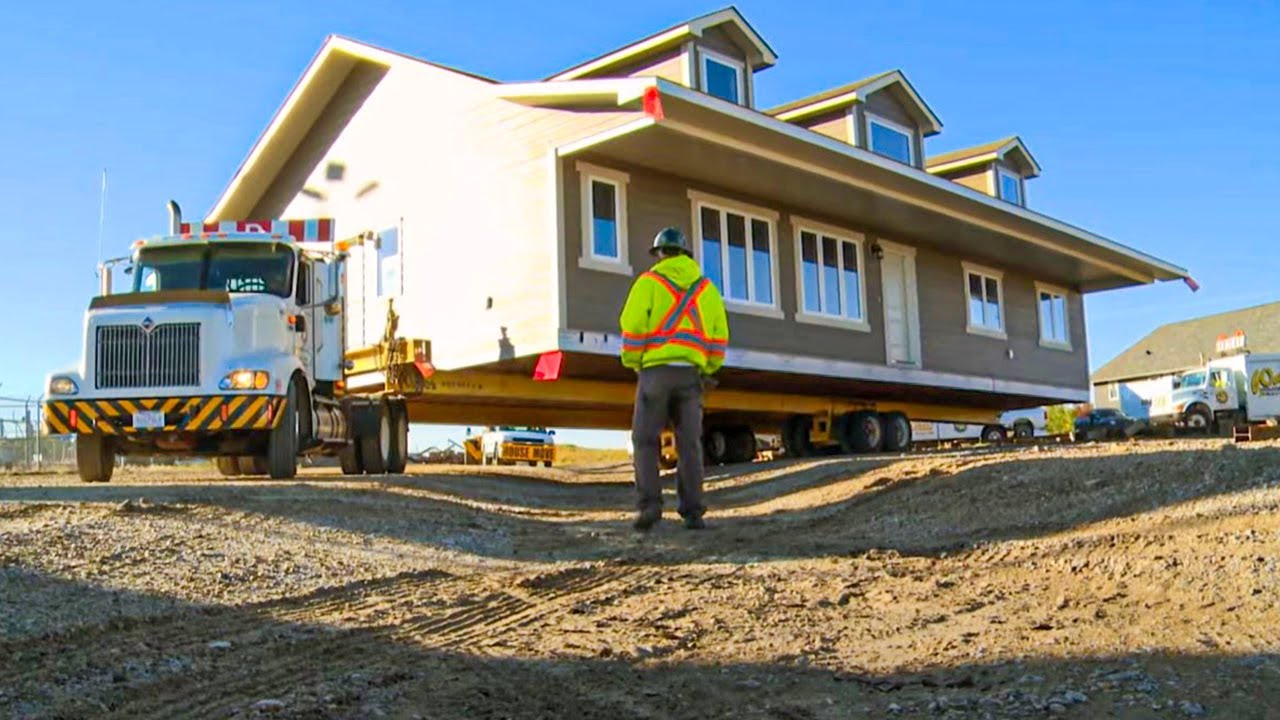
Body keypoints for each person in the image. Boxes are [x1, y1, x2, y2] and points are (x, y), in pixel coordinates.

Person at [619, 227, 729, 531]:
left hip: (654, 373)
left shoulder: (648, 283)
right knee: (690, 444)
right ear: (685, 254)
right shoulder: (707, 289)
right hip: (691, 376)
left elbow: (633, 325)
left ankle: (649, 508)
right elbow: (719, 336)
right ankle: (693, 512)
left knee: (644, 440)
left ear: (660, 254)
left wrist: (633, 362)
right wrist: (708, 368)